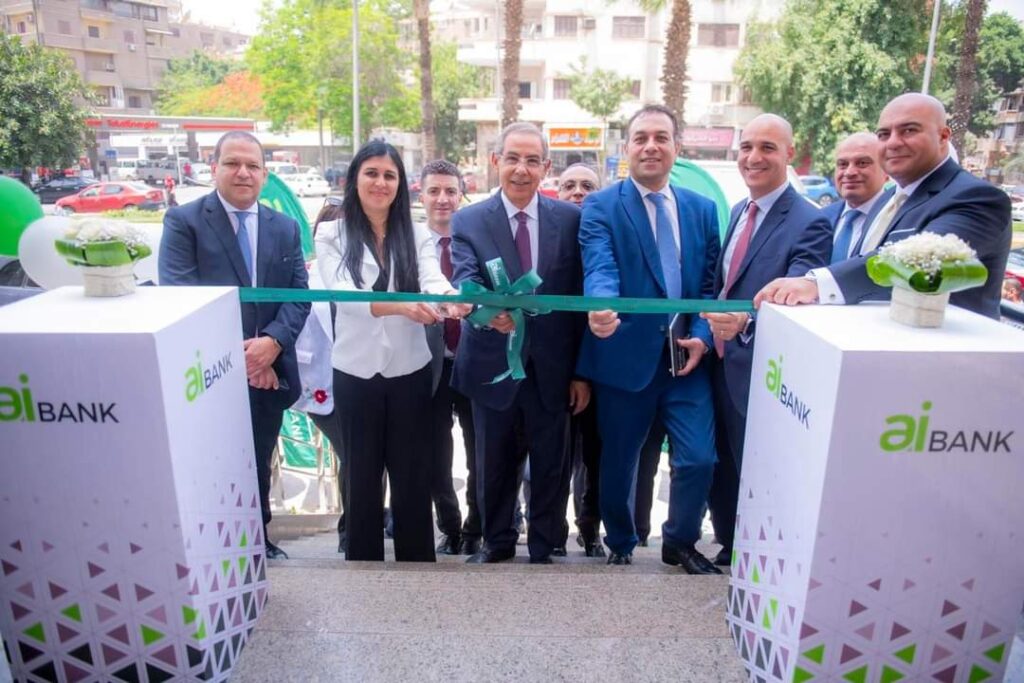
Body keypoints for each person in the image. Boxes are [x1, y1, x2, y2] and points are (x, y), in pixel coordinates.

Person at [577, 104, 721, 572]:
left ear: (677, 147)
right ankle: (620, 540)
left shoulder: (701, 210)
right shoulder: (601, 206)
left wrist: (702, 335)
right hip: (625, 356)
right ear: (626, 148)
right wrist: (602, 308)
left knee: (699, 458)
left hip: (686, 360)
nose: (651, 146)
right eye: (641, 138)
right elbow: (600, 265)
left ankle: (679, 542)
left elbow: (709, 287)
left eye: (661, 137)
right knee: (619, 462)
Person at [159, 131, 310, 561]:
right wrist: (243, 358)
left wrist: (272, 344)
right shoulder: (184, 222)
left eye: (252, 165)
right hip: (208, 374)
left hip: (271, 371)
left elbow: (299, 296)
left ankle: (259, 540)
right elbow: (180, 296)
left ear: (264, 173)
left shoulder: (285, 228)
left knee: (259, 458)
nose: (243, 172)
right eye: (232, 163)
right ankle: (214, 548)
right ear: (214, 169)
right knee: (211, 464)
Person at [315, 141, 468, 563]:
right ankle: (364, 567)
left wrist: (451, 300)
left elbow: (432, 280)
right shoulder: (331, 234)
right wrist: (402, 306)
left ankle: (415, 570)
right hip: (354, 371)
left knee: (412, 476)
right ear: (354, 180)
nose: (380, 182)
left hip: (410, 370)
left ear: (400, 184)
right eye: (372, 173)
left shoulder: (416, 234)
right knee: (361, 476)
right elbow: (343, 296)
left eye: (389, 175)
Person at [451, 122, 590, 565]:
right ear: (496, 161)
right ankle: (497, 541)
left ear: (546, 167)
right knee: (492, 462)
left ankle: (545, 545)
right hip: (492, 361)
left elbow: (580, 297)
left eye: (532, 160)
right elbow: (466, 279)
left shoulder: (570, 220)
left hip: (553, 367)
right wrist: (488, 310)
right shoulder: (469, 220)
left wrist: (581, 372)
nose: (521, 169)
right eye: (512, 158)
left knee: (552, 463)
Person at [701, 114, 832, 566]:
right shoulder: (740, 210)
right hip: (719, 362)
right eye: (747, 147)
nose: (753, 157)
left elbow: (796, 301)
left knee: (757, 470)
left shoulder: (809, 222)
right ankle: (730, 543)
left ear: (789, 154)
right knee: (722, 464)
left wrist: (745, 322)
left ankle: (757, 556)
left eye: (767, 148)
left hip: (763, 371)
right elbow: (723, 286)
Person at [757, 93, 1012, 319]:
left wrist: (816, 284)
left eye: (909, 131)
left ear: (943, 136)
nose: (893, 143)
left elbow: (917, 260)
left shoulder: (977, 198)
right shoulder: (887, 201)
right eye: (884, 134)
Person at [418, 159, 481, 556]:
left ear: (461, 195)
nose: (443, 199)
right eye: (434, 191)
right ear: (421, 195)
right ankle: (450, 526)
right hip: (428, 365)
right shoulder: (410, 243)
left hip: (473, 361)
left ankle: (477, 525)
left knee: (481, 451)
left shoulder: (476, 239)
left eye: (450, 191)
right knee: (434, 455)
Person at [556, 163, 604, 557]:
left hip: (599, 366)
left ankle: (590, 528)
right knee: (552, 456)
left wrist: (584, 372)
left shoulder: (607, 236)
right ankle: (550, 529)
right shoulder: (547, 236)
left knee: (595, 457)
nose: (578, 192)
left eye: (587, 185)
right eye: (569, 185)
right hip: (554, 367)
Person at [825, 132, 889, 264]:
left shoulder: (899, 216)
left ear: (887, 171)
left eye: (862, 163)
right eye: (843, 164)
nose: (849, 172)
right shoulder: (821, 218)